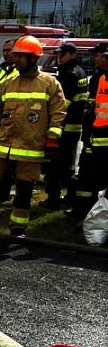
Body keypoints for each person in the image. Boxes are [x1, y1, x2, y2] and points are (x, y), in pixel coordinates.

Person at [0, 36, 66, 237]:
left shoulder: (49, 83)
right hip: (2, 144)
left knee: (24, 188)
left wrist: (53, 138)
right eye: (15, 55)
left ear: (33, 58)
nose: (15, 59)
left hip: (31, 146)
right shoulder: (8, 83)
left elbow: (59, 113)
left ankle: (18, 226)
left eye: (21, 56)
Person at [40, 43, 88, 210]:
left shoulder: (68, 75)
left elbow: (61, 105)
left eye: (64, 54)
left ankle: (52, 199)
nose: (59, 57)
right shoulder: (80, 72)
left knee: (56, 166)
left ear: (73, 55)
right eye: (59, 54)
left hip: (63, 128)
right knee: (68, 165)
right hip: (74, 128)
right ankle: (69, 197)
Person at [70, 43, 108, 219]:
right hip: (94, 136)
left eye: (99, 55)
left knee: (96, 177)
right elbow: (95, 109)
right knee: (87, 175)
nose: (96, 59)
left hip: (102, 139)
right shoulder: (99, 78)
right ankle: (83, 210)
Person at [0, 39, 19, 202]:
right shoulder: (2, 71)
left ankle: (4, 193)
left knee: (10, 163)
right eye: (4, 50)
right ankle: (1, 191)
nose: (6, 53)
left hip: (11, 123)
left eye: (9, 50)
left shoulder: (18, 73)